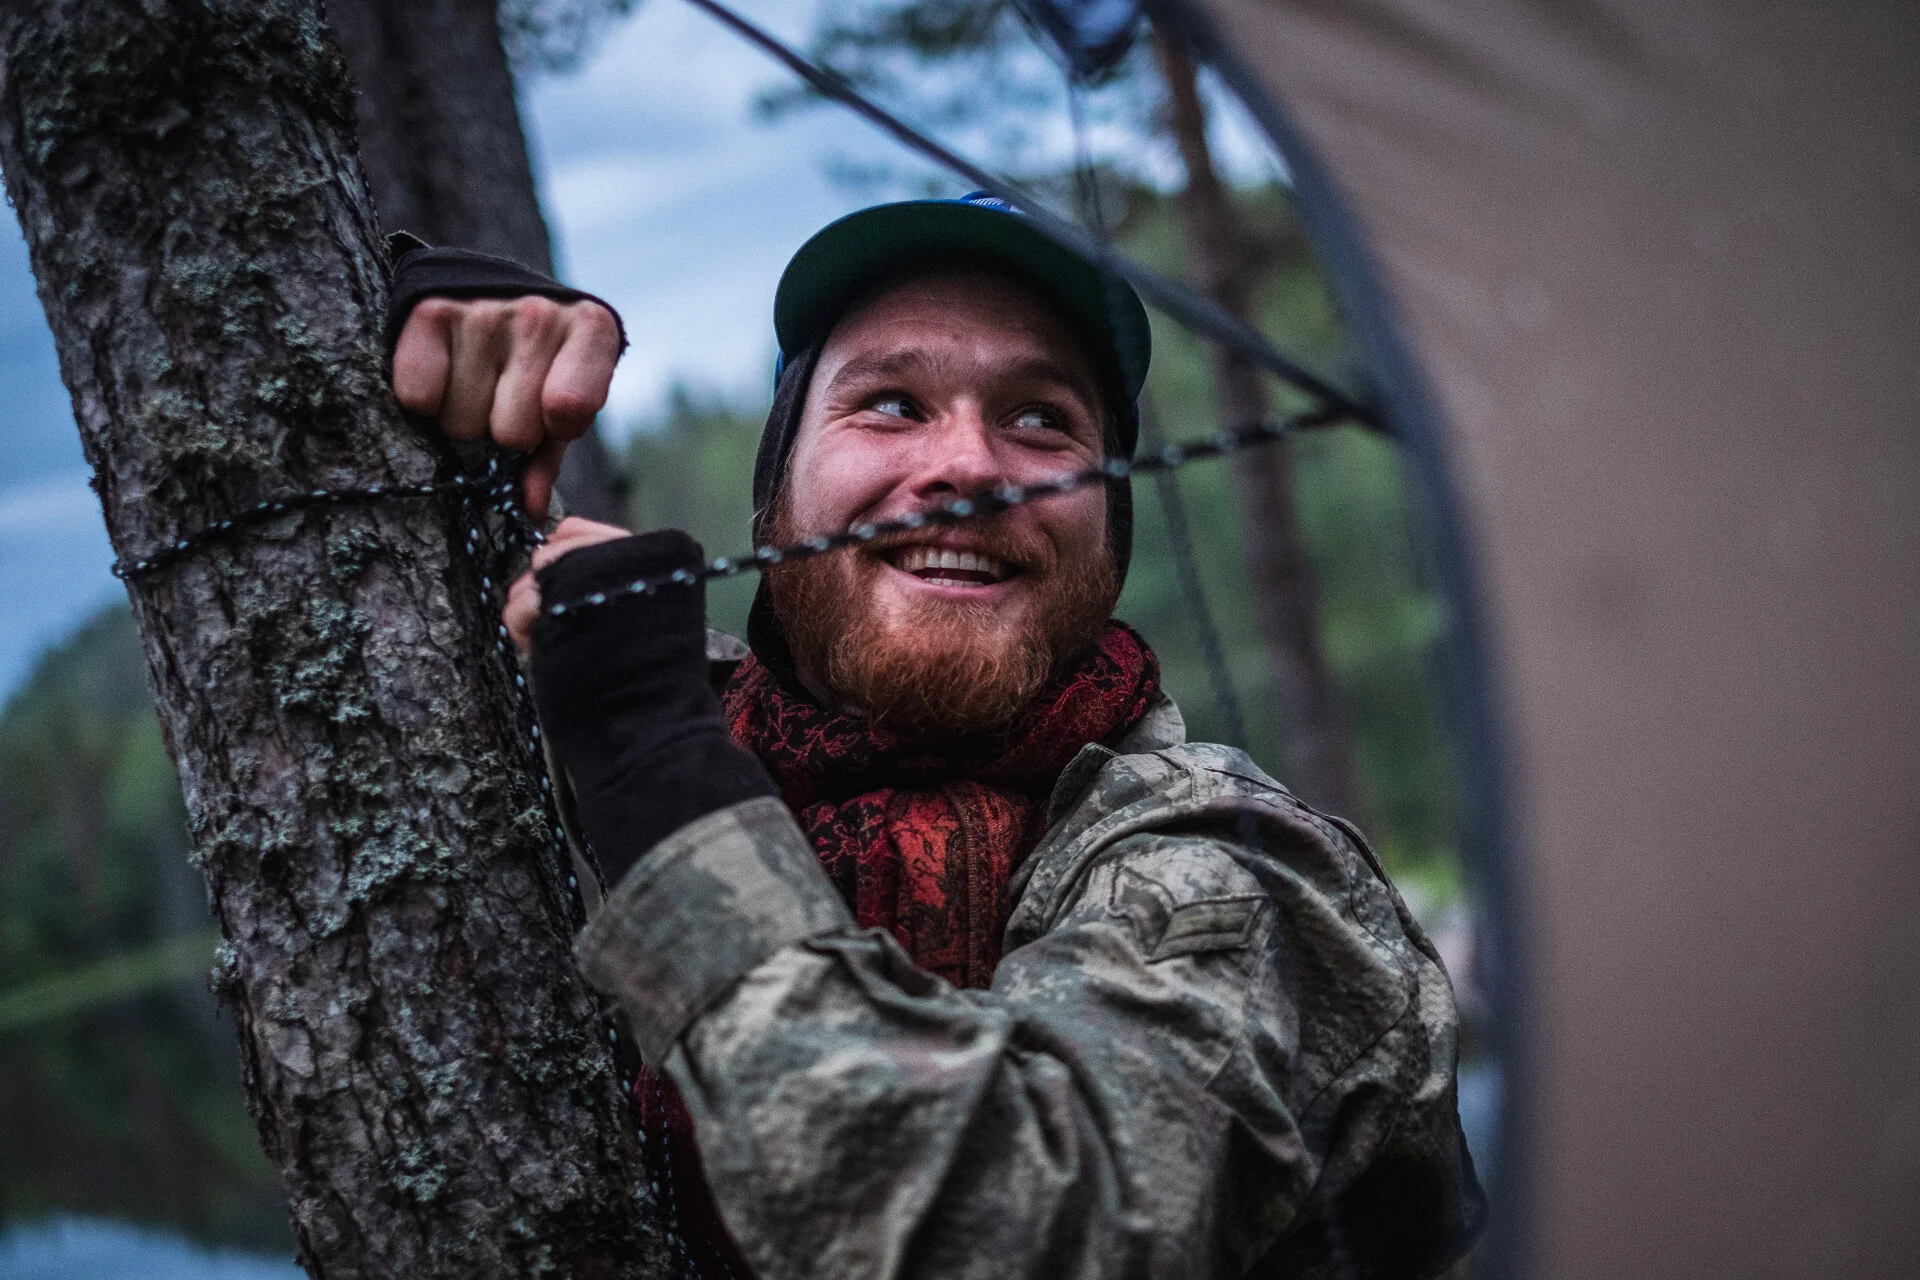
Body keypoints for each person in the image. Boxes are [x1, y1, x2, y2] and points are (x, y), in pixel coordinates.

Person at [388, 194, 1483, 1280]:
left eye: (1040, 420)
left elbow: (1009, 1242)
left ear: (1110, 533)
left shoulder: (1249, 870)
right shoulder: (659, 725)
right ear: (777, 503)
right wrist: (426, 362)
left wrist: (653, 770)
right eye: (891, 404)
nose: (967, 467)